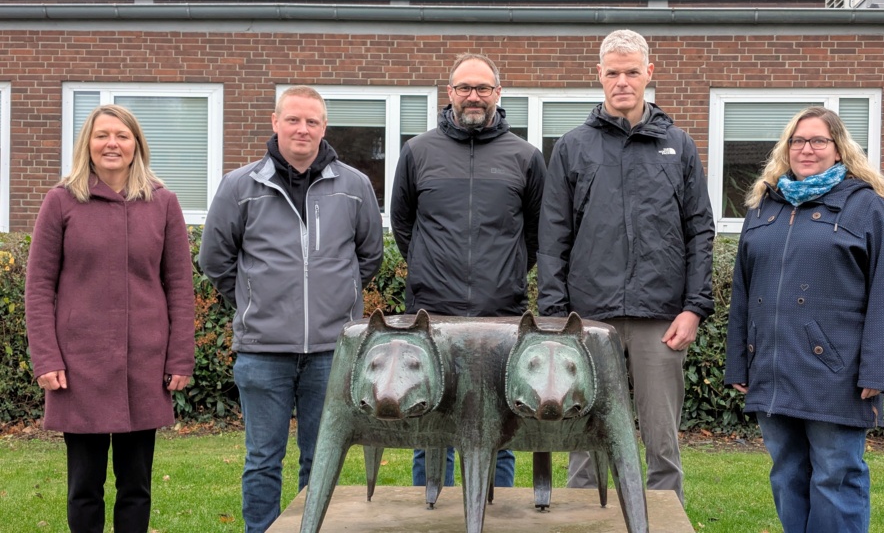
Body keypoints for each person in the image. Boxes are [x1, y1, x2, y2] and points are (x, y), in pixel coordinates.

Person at [537, 29, 715, 505]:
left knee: (662, 439)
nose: (622, 81)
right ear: (599, 75)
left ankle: (662, 514)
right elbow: (553, 239)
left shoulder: (678, 146)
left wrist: (694, 308)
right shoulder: (573, 147)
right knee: (584, 432)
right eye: (612, 72)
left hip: (661, 317)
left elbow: (700, 231)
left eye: (631, 71)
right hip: (588, 320)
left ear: (648, 74)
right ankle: (582, 514)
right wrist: (556, 317)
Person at [198, 86, 383, 532]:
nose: (303, 129)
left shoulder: (354, 186)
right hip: (263, 352)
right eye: (294, 120)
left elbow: (369, 257)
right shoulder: (240, 186)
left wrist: (336, 301)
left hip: (331, 352)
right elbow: (215, 259)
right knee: (263, 458)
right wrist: (253, 300)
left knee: (321, 458)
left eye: (312, 122)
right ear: (275, 121)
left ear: (324, 128)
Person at [724, 106, 884, 533]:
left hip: (835, 372)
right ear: (786, 149)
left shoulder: (866, 207)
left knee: (835, 475)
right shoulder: (763, 207)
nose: (807, 149)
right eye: (798, 141)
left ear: (839, 150)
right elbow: (743, 291)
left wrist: (878, 370)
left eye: (819, 141)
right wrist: (739, 361)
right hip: (771, 367)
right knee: (787, 474)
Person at [25, 104, 196, 533]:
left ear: (136, 143)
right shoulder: (61, 201)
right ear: (88, 144)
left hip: (145, 365)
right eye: (102, 135)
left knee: (135, 486)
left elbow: (178, 286)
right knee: (84, 486)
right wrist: (45, 358)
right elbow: (40, 286)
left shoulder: (163, 203)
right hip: (78, 368)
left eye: (121, 135)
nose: (112, 143)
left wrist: (180, 358)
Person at [390, 52, 545, 488]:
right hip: (431, 314)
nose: (472, 96)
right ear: (450, 93)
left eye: (482, 88)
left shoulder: (526, 157)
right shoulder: (417, 152)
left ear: (498, 93)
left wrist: (508, 271)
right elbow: (403, 224)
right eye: (464, 88)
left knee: (501, 421)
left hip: (502, 313)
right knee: (432, 421)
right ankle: (432, 509)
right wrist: (430, 266)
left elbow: (535, 234)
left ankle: (498, 512)